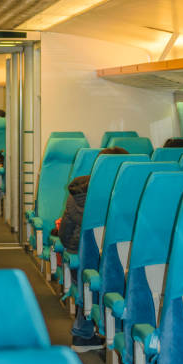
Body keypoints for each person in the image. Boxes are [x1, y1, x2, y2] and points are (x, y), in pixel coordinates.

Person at [58, 146, 129, 353]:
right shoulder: (133, 196)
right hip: (119, 264)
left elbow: (65, 233)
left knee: (87, 265)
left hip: (83, 259)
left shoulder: (79, 194)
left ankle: (83, 333)